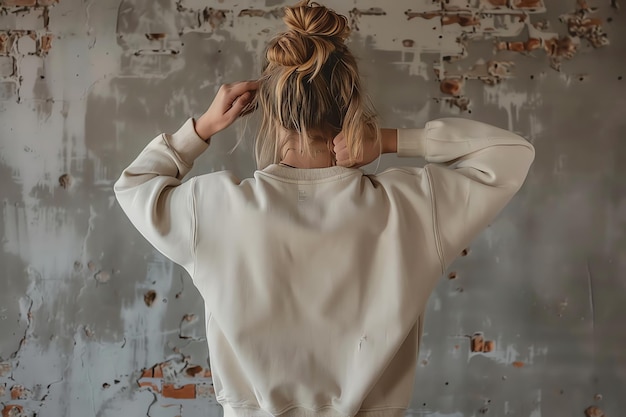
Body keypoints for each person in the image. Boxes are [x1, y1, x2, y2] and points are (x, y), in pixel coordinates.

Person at [114, 1, 535, 416]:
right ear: (349, 106)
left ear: (272, 114)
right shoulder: (412, 206)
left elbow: (134, 186)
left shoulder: (212, 208)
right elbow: (510, 154)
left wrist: (202, 128)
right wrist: (390, 140)